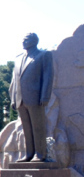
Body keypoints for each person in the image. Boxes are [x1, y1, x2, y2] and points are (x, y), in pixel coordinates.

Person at [9, 33, 54, 162]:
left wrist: (45, 96)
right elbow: (14, 81)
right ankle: (29, 154)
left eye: (27, 40)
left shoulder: (44, 55)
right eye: (23, 40)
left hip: (35, 98)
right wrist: (13, 98)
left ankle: (40, 154)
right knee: (27, 129)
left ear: (35, 41)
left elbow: (48, 77)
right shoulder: (18, 59)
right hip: (20, 99)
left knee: (38, 127)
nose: (24, 42)